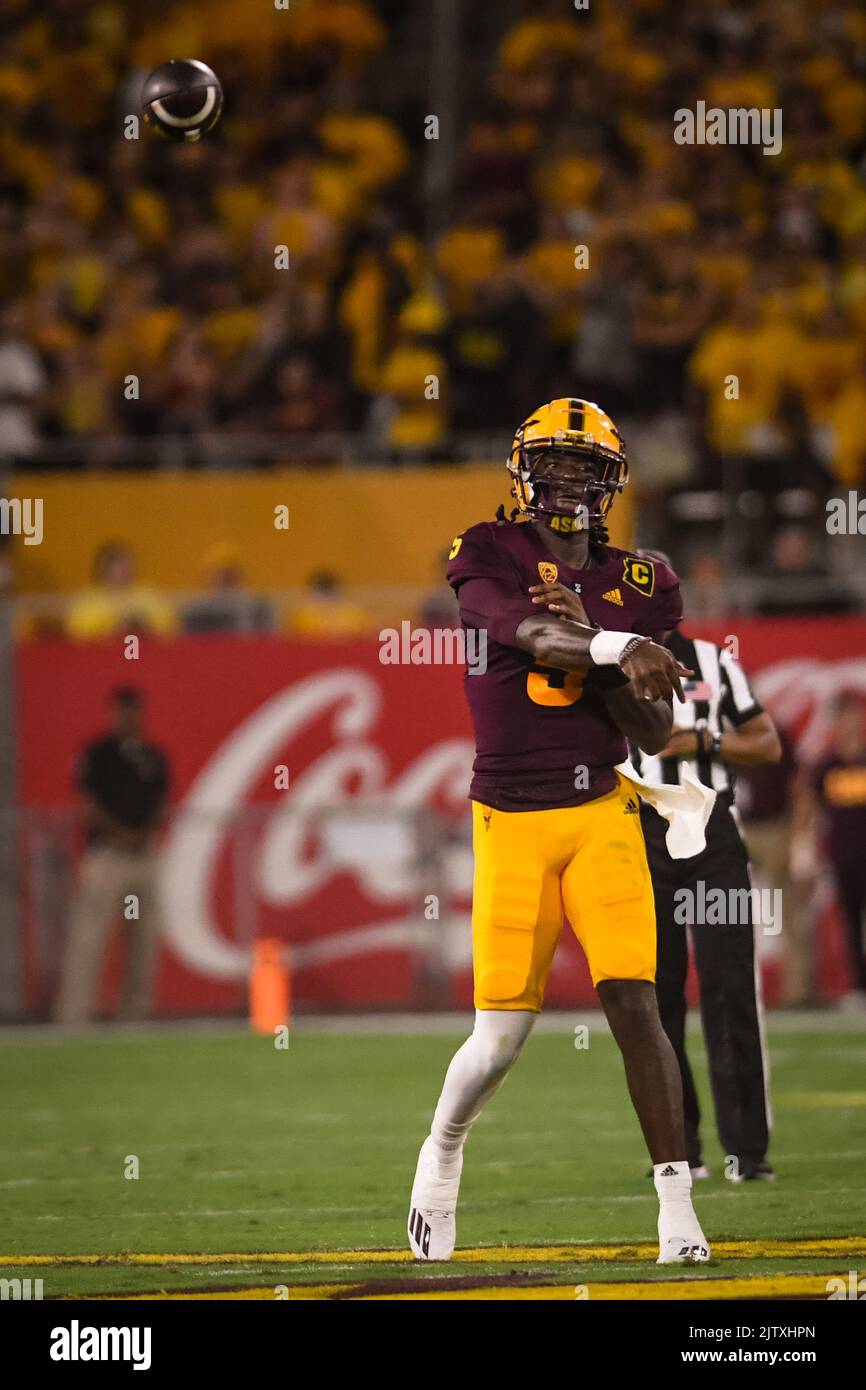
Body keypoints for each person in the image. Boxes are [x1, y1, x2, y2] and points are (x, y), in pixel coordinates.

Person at [408, 397, 711, 1266]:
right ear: (522, 469)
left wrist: (610, 649)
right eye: (556, 460)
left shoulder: (645, 579)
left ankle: (677, 1211)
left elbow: (653, 734)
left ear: (611, 480)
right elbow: (522, 628)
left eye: (586, 464)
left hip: (603, 811)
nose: (569, 477)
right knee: (499, 1039)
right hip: (511, 816)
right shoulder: (487, 548)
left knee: (635, 1001)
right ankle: (444, 1148)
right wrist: (608, 646)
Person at [626, 551, 782, 1183]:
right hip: (642, 833)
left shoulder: (715, 661)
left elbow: (768, 744)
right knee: (655, 998)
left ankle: (747, 1150)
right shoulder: (607, 661)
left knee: (729, 989)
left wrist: (708, 741)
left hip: (713, 832)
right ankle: (679, 1150)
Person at [55, 688, 169, 1024]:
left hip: (144, 857)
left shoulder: (152, 756)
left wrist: (142, 835)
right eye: (121, 711)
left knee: (144, 939)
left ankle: (135, 1016)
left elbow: (162, 804)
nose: (127, 718)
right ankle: (74, 1017)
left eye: (132, 711)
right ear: (113, 713)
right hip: (108, 857)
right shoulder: (99, 754)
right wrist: (121, 834)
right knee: (90, 937)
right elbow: (86, 805)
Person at [796, 693, 866, 1010]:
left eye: (855, 717)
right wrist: (804, 849)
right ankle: (858, 987)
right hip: (844, 855)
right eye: (843, 718)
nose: (850, 724)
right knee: (851, 923)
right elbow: (807, 808)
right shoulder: (827, 765)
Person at [66, 540, 177, 640]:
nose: (122, 570)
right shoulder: (88, 599)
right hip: (101, 657)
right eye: (115, 565)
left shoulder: (149, 594)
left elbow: (170, 630)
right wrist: (112, 628)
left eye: (125, 564)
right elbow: (77, 634)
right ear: (102, 568)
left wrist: (143, 626)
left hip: (145, 654)